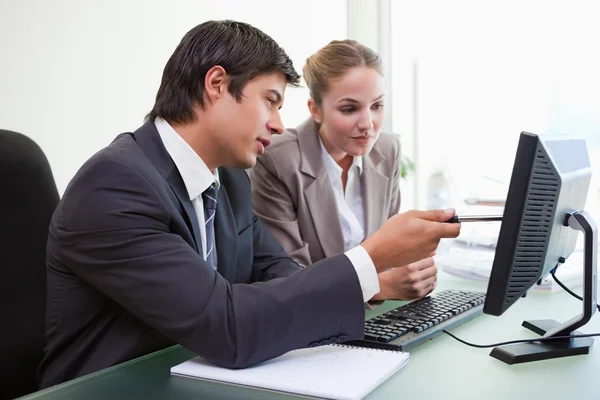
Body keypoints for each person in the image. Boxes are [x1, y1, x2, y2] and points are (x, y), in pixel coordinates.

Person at [38, 20, 460, 388]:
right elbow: (229, 326)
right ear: (217, 84)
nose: (278, 124)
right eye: (271, 101)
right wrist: (372, 259)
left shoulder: (230, 180)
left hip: (198, 376)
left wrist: (365, 276)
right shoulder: (115, 185)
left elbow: (280, 275)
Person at [249, 40, 437, 302]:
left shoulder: (387, 150)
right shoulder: (278, 160)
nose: (368, 125)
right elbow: (287, 279)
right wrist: (378, 287)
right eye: (349, 109)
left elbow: (391, 251)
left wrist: (415, 269)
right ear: (315, 109)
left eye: (377, 106)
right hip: (311, 321)